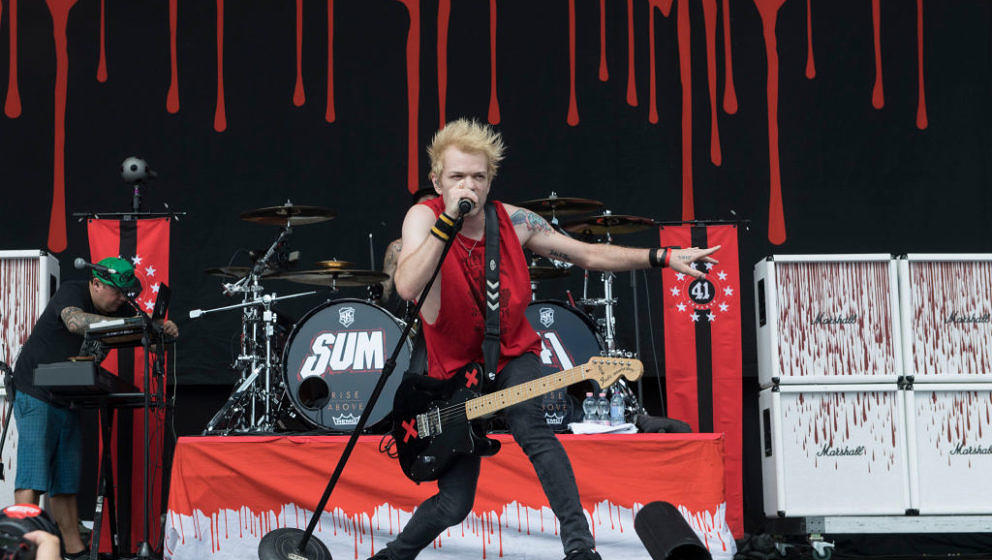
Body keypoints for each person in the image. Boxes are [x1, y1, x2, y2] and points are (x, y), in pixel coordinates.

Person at [369, 119, 719, 560]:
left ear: (490, 179)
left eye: (478, 177)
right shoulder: (423, 217)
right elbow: (406, 286)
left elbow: (585, 252)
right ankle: (392, 556)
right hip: (453, 373)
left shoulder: (514, 221)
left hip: (513, 351)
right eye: (457, 177)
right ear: (437, 179)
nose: (469, 186)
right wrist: (447, 222)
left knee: (533, 430)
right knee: (454, 505)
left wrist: (663, 256)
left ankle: (580, 549)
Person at [11, 257, 179, 559]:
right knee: (32, 476)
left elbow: (145, 335)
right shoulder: (73, 292)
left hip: (69, 395)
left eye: (126, 295)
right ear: (97, 283)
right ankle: (23, 549)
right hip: (35, 389)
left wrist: (159, 329)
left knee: (65, 481)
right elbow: (75, 322)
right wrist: (130, 324)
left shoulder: (120, 308)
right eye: (116, 292)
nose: (121, 300)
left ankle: (75, 551)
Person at [378, 186, 440, 315]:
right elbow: (385, 294)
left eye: (432, 207)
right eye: (423, 207)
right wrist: (377, 292)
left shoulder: (454, 243)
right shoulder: (397, 247)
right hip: (410, 319)